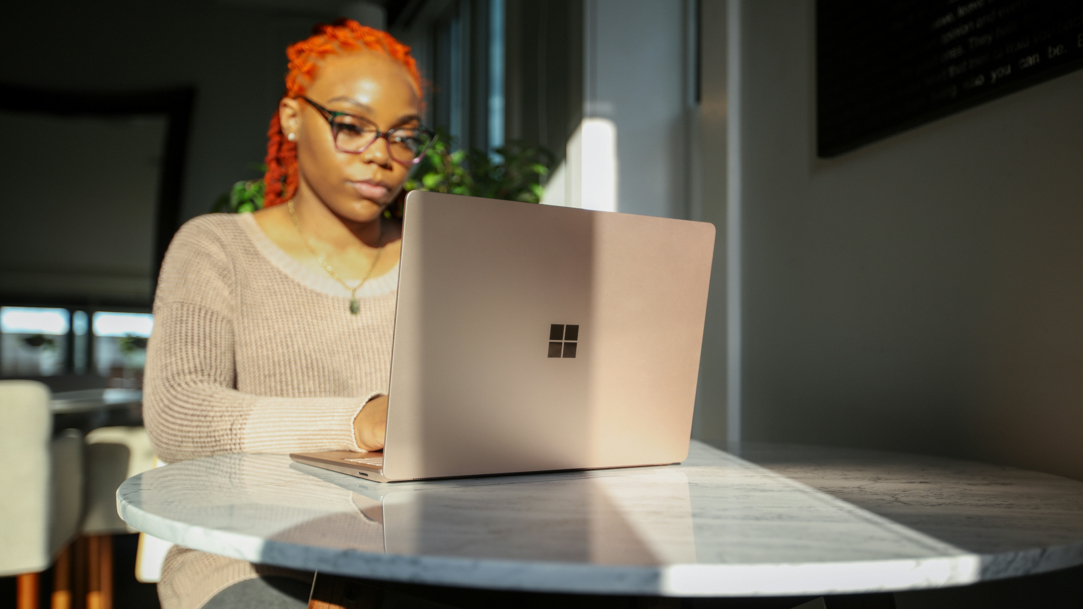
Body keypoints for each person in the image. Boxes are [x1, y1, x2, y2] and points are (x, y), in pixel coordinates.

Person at [143, 19, 432, 609]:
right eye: (352, 126)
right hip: (246, 552)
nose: (381, 155)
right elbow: (178, 412)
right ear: (293, 118)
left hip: (416, 555)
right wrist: (358, 422)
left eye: (403, 136)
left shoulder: (439, 260)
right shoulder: (216, 248)